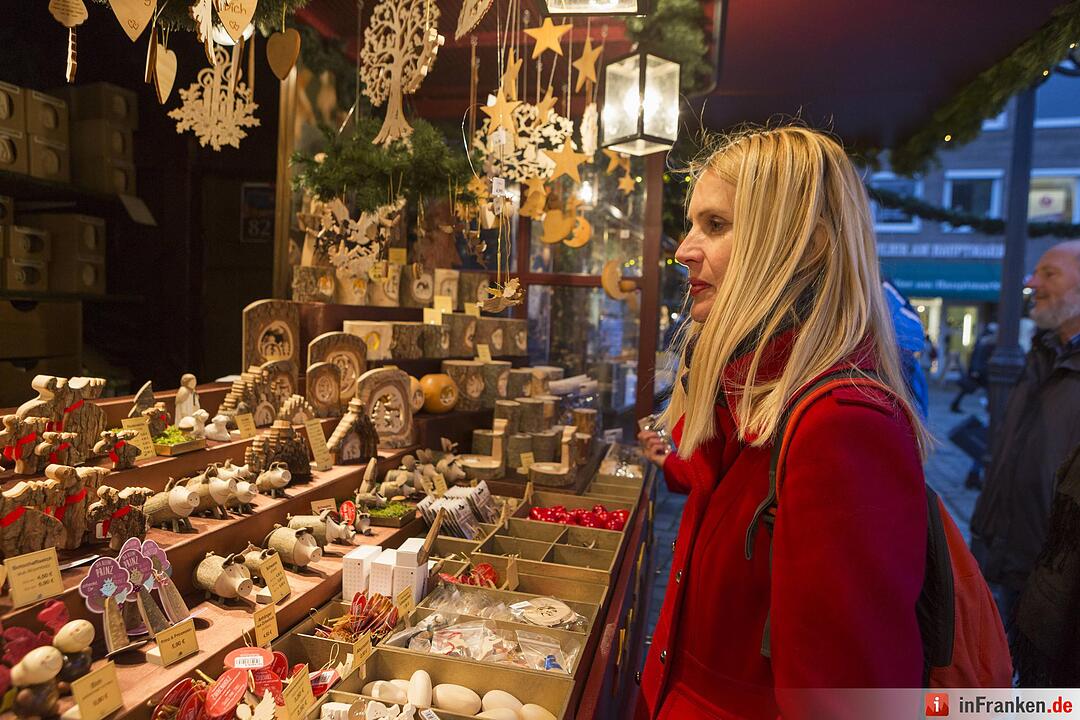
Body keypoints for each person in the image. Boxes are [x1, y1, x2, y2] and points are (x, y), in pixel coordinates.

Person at [635, 127, 930, 720]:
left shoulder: (842, 427)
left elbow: (847, 698)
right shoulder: (743, 394)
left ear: (809, 247)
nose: (684, 249)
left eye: (716, 226)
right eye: (694, 224)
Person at [971, 240, 1080, 631]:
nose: (1033, 282)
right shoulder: (1042, 353)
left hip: (1062, 581)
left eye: (1049, 273)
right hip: (1012, 558)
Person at [950, 324, 997, 414]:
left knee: (969, 389)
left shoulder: (984, 340)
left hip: (979, 370)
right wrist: (975, 370)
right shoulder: (985, 341)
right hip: (980, 370)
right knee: (983, 388)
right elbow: (978, 357)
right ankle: (989, 407)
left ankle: (955, 404)